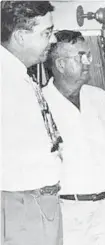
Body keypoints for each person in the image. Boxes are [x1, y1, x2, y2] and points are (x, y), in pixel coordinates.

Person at [43, 30, 105, 245]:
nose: (88, 62)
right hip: (65, 212)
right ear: (60, 65)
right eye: (81, 56)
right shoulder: (40, 104)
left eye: (88, 55)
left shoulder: (100, 99)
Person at [1, 2, 62, 245]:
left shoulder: (19, 75)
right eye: (46, 33)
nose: (53, 39)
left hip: (37, 202)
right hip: (21, 205)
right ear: (20, 37)